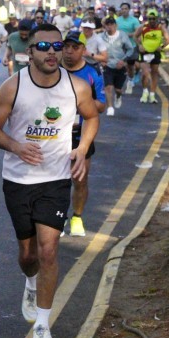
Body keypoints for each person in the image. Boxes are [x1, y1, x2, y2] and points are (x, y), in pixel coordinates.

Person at [0, 23, 99, 338]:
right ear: (30, 52)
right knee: (28, 255)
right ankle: (31, 282)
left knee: (48, 250)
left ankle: (42, 327)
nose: (52, 52)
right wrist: (16, 146)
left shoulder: (77, 86)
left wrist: (81, 149)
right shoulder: (13, 86)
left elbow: (91, 117)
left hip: (56, 179)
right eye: (44, 47)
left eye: (57, 46)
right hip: (18, 180)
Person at [60, 30, 106, 237]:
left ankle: (77, 217)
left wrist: (78, 101)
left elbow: (101, 105)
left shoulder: (92, 72)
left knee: (80, 179)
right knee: (55, 181)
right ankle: (58, 217)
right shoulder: (53, 68)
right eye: (66, 47)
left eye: (75, 47)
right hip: (53, 134)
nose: (69, 51)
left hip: (80, 135)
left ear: (83, 50)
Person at [133, 9, 169, 104]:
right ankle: (145, 92)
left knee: (154, 73)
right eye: (150, 18)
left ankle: (152, 94)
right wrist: (139, 45)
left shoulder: (160, 28)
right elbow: (135, 36)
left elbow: (168, 39)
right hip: (145, 52)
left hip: (155, 53)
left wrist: (162, 46)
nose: (152, 21)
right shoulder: (143, 27)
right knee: (145, 73)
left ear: (157, 19)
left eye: (153, 19)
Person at [98, 17, 134, 116]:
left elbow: (130, 49)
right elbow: (96, 49)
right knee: (108, 87)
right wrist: (101, 60)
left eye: (112, 24)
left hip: (120, 66)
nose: (109, 27)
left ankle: (118, 96)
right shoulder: (101, 37)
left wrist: (123, 60)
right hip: (107, 65)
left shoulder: (122, 35)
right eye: (107, 25)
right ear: (105, 26)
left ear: (116, 25)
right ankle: (110, 108)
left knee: (118, 89)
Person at [115, 2, 142, 94]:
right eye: (122, 9)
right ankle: (120, 83)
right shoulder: (117, 20)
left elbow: (138, 32)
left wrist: (127, 35)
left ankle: (130, 79)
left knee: (131, 66)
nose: (124, 10)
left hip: (131, 46)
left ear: (129, 10)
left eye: (126, 9)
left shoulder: (134, 20)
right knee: (120, 65)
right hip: (120, 46)